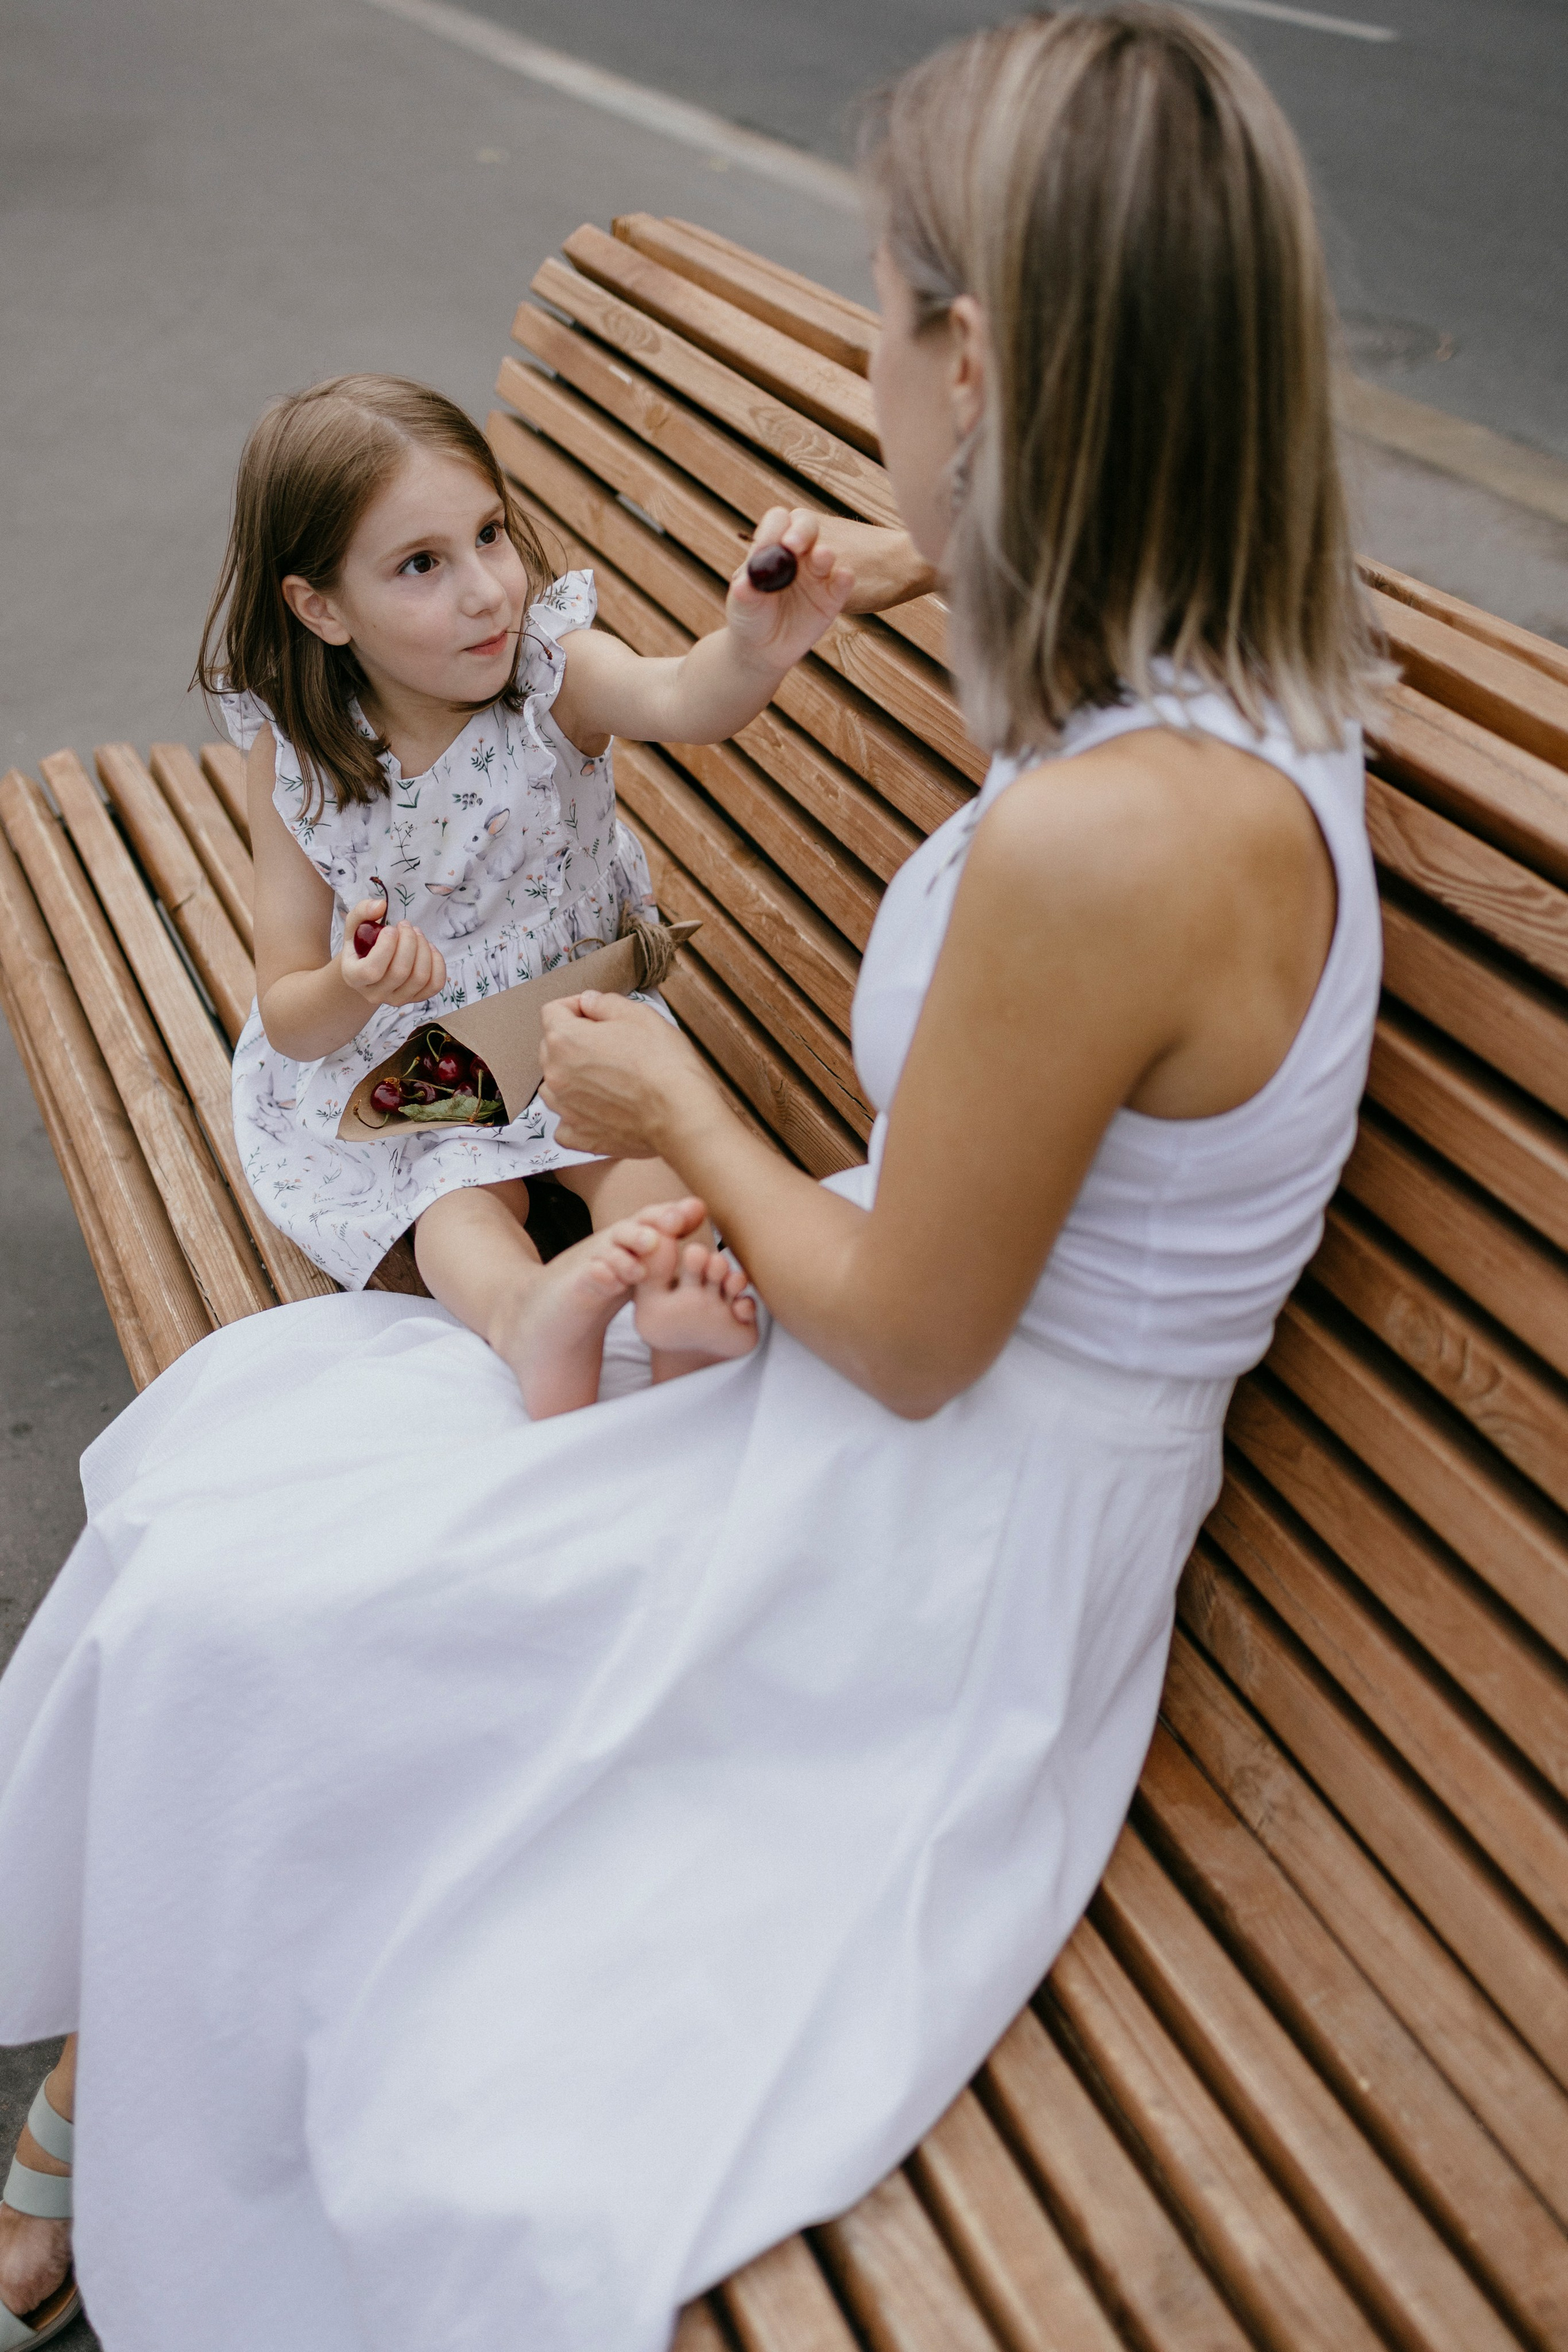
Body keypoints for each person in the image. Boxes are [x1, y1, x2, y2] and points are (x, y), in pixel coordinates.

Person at [0, 10, 1385, 2349]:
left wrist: (682, 1123)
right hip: (913, 1401)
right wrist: (927, 556)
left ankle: (130, 2124)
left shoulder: (1110, 848)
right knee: (253, 1547)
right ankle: (126, 2091)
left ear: (970, 361)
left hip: (937, 1529)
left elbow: (927, 1339)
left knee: (270, 1616)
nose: (868, 361)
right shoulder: (1242, 685)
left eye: (880, 314)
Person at [203, 376, 866, 1415]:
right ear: (320, 607)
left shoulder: (552, 676)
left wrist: (751, 650)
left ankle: (675, 1285)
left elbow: (682, 697)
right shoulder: (300, 760)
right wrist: (356, 982)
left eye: (490, 535)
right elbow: (289, 1012)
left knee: (629, 1148)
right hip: (420, 1058)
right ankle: (528, 1315)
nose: (486, 591)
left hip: (575, 1015)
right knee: (457, 1194)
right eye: (422, 564)